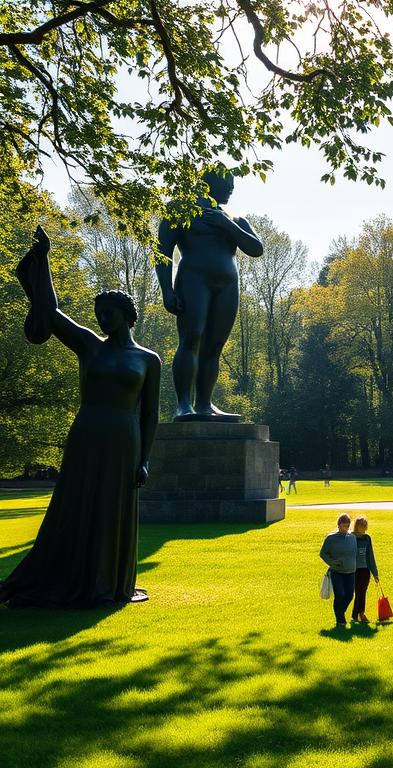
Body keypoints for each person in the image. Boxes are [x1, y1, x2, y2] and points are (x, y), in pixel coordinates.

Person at [0, 227, 161, 607]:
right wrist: (44, 262)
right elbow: (52, 313)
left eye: (109, 314)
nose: (103, 320)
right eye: (99, 314)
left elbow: (150, 412)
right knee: (77, 503)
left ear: (126, 315)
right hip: (88, 431)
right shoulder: (89, 345)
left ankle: (109, 581)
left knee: (113, 507)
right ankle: (71, 577)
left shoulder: (147, 359)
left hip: (125, 437)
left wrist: (145, 460)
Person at [157, 169, 264, 420]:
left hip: (227, 284)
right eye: (226, 183)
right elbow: (162, 252)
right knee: (192, 337)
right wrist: (167, 290)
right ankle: (184, 404)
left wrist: (226, 224)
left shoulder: (234, 217)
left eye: (233, 184)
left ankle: (204, 403)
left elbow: (256, 248)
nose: (231, 189)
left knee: (214, 346)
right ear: (208, 183)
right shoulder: (180, 211)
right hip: (194, 279)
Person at [319, 514, 357, 626]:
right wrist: (331, 562)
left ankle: (340, 612)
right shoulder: (331, 538)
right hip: (337, 572)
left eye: (347, 526)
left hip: (350, 571)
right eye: (344, 526)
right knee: (340, 594)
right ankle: (340, 619)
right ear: (339, 525)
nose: (345, 528)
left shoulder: (352, 538)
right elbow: (323, 553)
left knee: (350, 595)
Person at [351, 516, 380, 623]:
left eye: (364, 526)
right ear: (356, 526)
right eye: (361, 526)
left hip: (365, 570)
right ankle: (358, 614)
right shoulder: (350, 537)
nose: (363, 528)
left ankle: (358, 614)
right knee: (358, 592)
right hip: (353, 570)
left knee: (361, 592)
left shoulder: (367, 538)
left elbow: (370, 556)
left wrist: (375, 573)